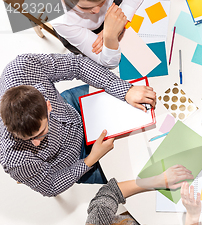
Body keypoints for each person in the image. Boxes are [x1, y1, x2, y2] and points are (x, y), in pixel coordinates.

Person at [0, 53, 156, 196]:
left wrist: (125, 90)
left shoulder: (23, 67)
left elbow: (77, 64)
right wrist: (92, 158)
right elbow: (51, 186)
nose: (35, 144)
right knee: (141, 173)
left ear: (48, 106)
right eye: (26, 140)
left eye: (40, 134)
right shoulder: (14, 160)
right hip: (76, 160)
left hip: (74, 107)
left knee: (144, 106)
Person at [52, 0, 142, 68]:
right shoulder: (60, 19)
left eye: (102, 1)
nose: (97, 10)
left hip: (115, 8)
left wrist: (124, 14)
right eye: (84, 8)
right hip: (81, 31)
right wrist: (110, 35)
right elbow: (108, 62)